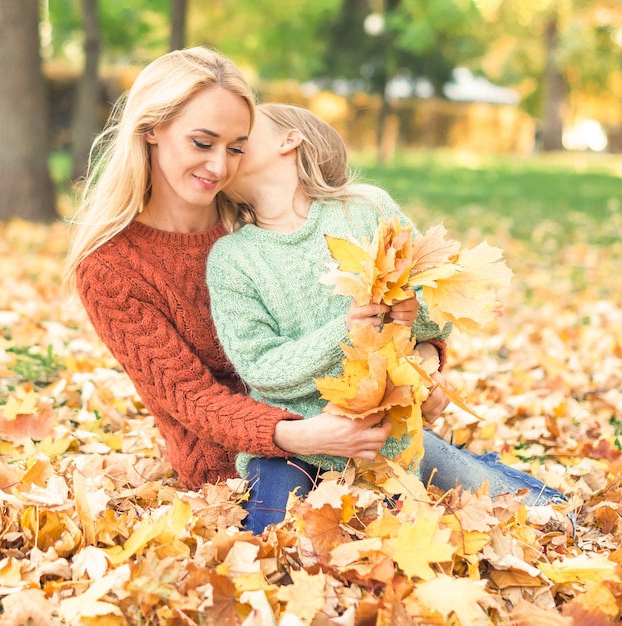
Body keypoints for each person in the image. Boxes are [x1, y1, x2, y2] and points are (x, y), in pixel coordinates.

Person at [206, 103, 568, 534]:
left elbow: (437, 307)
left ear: (289, 139)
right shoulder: (232, 258)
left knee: (536, 512)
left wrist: (415, 316)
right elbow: (259, 366)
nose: (232, 141)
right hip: (294, 446)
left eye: (245, 132)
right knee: (271, 538)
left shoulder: (364, 210)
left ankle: (466, 467)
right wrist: (344, 332)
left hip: (386, 439)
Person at [63, 48, 399, 499]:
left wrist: (429, 359)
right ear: (150, 131)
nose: (220, 167)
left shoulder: (260, 224)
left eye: (237, 147)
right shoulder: (111, 268)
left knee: (495, 493)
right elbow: (192, 399)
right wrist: (304, 435)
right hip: (235, 476)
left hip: (353, 430)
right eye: (202, 143)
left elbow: (366, 310)